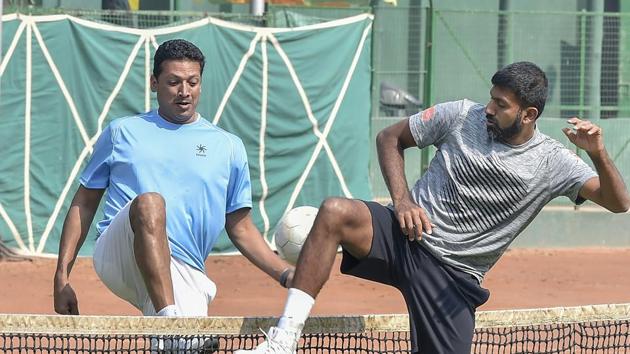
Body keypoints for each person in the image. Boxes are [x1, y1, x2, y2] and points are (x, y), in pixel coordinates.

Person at [236, 61, 630, 354]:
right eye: (490, 98)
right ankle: (283, 339)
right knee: (336, 210)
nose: (489, 109)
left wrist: (598, 154)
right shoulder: (461, 115)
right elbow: (390, 138)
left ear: (528, 115)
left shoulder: (553, 161)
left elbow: (618, 203)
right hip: (404, 235)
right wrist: (403, 200)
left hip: (453, 278)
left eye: (501, 104)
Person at [53, 39, 294, 320]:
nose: (184, 92)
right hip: (119, 254)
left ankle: (170, 327)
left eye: (193, 82)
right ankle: (169, 321)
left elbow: (240, 227)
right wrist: (61, 276)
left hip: (183, 267)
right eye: (173, 82)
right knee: (150, 204)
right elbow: (84, 202)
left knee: (187, 347)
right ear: (154, 82)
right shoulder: (121, 132)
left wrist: (286, 273)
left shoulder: (229, 147)